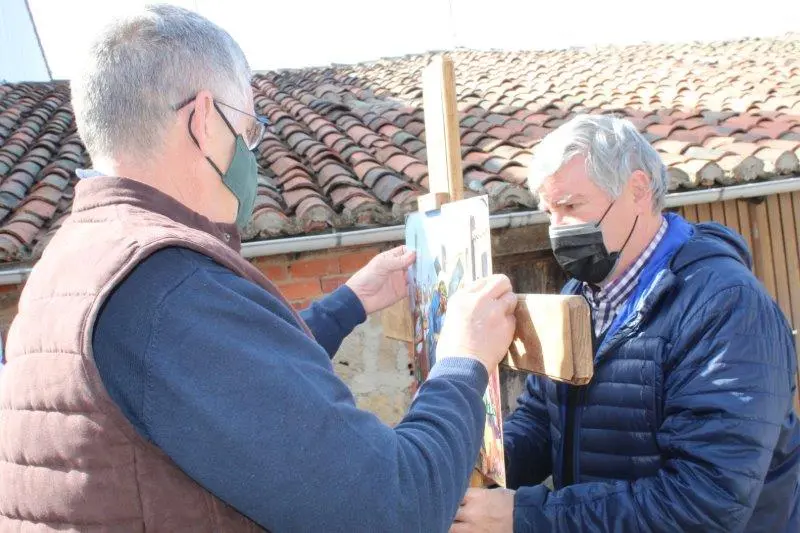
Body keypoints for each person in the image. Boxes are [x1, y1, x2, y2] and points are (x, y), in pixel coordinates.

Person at [0, 5, 518, 532]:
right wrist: (463, 358)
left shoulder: (73, 261)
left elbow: (228, 384)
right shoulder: (166, 284)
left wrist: (350, 303)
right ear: (203, 122)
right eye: (247, 131)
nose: (252, 155)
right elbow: (395, 505)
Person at [452, 114, 800, 532]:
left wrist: (527, 516)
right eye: (549, 212)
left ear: (637, 190)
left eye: (571, 206)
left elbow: (707, 499)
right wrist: (470, 467)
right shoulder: (578, 295)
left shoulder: (726, 306)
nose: (557, 229)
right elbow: (543, 421)